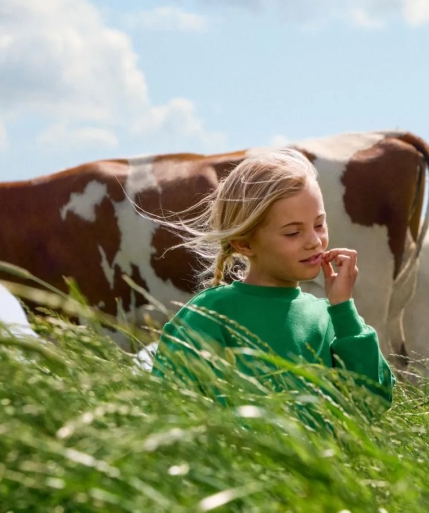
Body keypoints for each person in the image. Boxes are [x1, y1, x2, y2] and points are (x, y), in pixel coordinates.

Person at [151, 149, 395, 417]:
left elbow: (373, 404)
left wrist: (343, 309)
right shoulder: (209, 313)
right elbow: (170, 408)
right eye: (293, 232)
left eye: (319, 225)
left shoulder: (330, 318)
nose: (315, 241)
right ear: (244, 244)